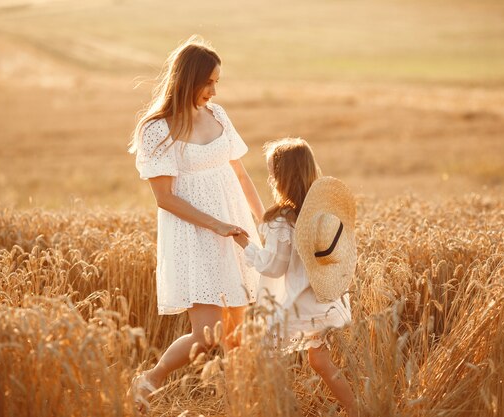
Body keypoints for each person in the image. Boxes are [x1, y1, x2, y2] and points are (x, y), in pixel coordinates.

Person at [128, 35, 265, 406]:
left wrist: (262, 219)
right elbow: (165, 198)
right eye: (209, 83)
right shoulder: (157, 129)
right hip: (194, 235)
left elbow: (240, 174)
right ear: (188, 80)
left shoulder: (218, 116)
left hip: (234, 228)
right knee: (207, 335)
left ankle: (240, 403)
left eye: (217, 82)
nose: (215, 92)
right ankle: (149, 379)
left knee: (236, 332)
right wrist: (215, 225)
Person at [232, 138, 359, 416]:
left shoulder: (282, 219)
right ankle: (357, 409)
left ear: (282, 177)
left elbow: (274, 268)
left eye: (272, 173)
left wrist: (246, 245)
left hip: (300, 305)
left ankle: (279, 410)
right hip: (325, 300)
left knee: (265, 357)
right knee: (320, 360)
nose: (270, 178)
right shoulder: (321, 214)